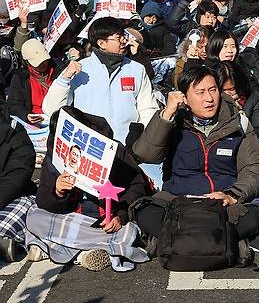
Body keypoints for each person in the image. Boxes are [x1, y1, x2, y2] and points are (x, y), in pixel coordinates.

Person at [130, 66, 259, 264]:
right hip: (177, 201)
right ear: (184, 97)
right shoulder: (172, 120)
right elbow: (145, 154)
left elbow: (255, 167)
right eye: (200, 92)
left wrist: (233, 195)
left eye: (213, 90)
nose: (209, 98)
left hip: (221, 202)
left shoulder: (238, 122)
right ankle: (227, 240)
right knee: (145, 211)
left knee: (252, 217)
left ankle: (170, 238)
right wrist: (167, 114)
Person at [25, 107, 149, 271]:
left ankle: (54, 248)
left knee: (128, 231)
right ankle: (91, 251)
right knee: (34, 216)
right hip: (71, 217)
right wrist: (57, 192)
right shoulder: (54, 153)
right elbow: (43, 201)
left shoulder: (112, 149)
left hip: (105, 221)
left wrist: (120, 216)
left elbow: (138, 185)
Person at [42, 17, 159, 145]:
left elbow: (148, 108)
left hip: (127, 147)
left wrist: (140, 139)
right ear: (101, 43)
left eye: (124, 36)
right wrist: (63, 80)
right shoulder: (79, 69)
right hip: (88, 147)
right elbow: (51, 109)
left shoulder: (136, 69)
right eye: (119, 38)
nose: (124, 41)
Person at [0, 103, 36, 262]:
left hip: (10, 197)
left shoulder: (14, 130)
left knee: (25, 206)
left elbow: (19, 175)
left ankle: (5, 241)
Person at [7, 39, 58, 124]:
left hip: (56, 118)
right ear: (27, 62)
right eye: (38, 63)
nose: (43, 64)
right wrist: (26, 115)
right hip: (35, 121)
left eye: (44, 60)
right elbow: (13, 105)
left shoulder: (58, 70)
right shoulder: (20, 78)